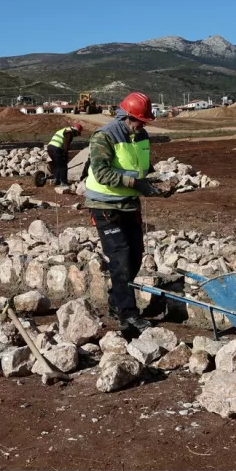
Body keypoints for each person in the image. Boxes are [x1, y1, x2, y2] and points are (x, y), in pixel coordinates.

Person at [84, 92, 162, 333]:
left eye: (145, 121)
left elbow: (141, 167)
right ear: (128, 116)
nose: (143, 125)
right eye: (140, 120)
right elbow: (102, 174)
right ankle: (128, 315)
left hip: (129, 204)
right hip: (106, 206)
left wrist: (156, 183)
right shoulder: (104, 136)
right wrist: (136, 184)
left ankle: (116, 301)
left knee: (135, 256)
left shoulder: (141, 135)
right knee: (120, 259)